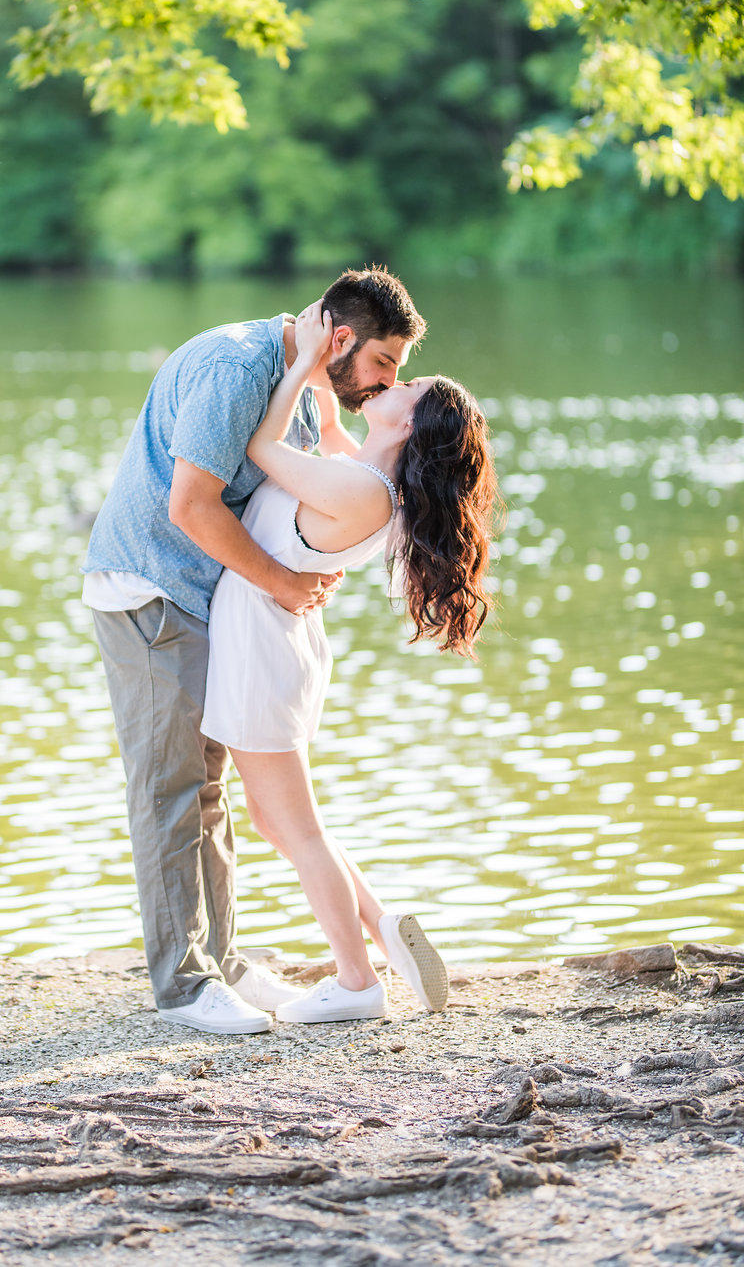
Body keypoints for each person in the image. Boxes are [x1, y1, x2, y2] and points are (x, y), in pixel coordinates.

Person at [82, 269, 427, 1035]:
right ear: (342, 339)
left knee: (209, 791)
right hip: (152, 587)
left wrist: (294, 572)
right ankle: (183, 985)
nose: (384, 383)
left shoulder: (304, 383)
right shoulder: (240, 368)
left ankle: (223, 964)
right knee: (171, 788)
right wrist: (282, 582)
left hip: (205, 598)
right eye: (383, 364)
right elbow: (189, 505)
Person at [201, 302, 500, 1022]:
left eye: (406, 386)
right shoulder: (362, 474)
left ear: (407, 423)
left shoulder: (359, 489)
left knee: (295, 830)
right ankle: (382, 932)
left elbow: (264, 446)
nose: (392, 383)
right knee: (288, 825)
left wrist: (303, 360)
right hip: (272, 645)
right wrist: (325, 362)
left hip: (262, 653)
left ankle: (357, 983)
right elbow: (328, 426)